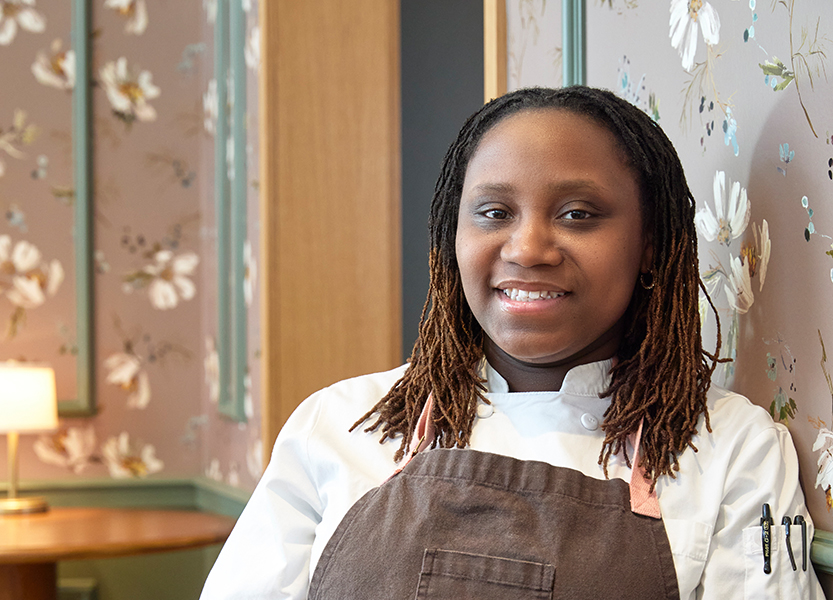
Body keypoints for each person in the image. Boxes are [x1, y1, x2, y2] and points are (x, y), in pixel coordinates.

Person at [200, 86, 823, 599]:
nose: (527, 249)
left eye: (578, 213)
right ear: (453, 236)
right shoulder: (334, 429)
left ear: (651, 242)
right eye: (494, 213)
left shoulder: (731, 449)